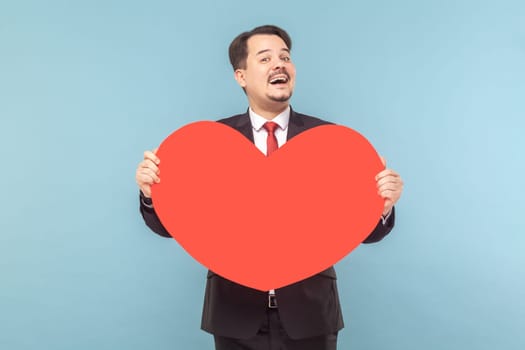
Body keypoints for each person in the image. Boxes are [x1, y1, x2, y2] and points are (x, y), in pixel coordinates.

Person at [135, 25, 403, 350]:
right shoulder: (211, 145)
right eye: (265, 58)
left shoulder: (329, 142)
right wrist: (152, 195)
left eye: (285, 57)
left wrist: (383, 205)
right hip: (233, 314)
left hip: (311, 315)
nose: (279, 64)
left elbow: (367, 232)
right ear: (241, 76)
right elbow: (170, 225)